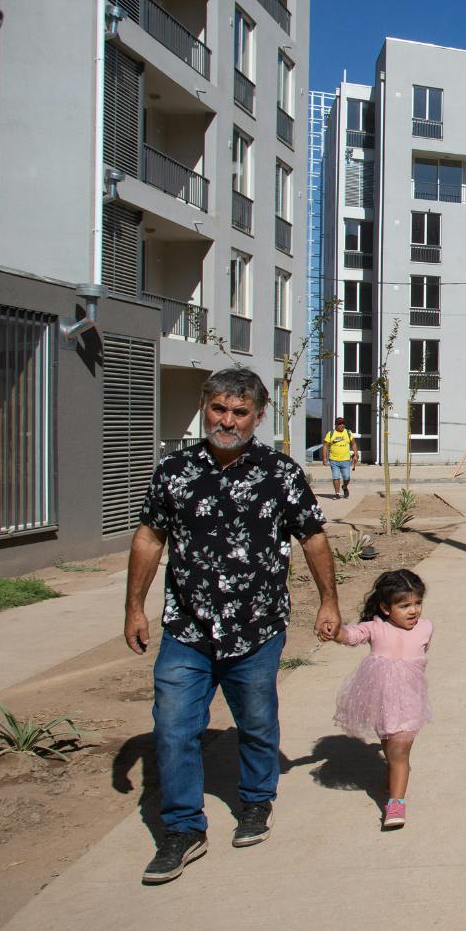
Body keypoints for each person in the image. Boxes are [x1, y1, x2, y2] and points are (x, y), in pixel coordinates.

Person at [124, 367, 341, 884]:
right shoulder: (173, 470)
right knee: (173, 729)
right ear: (206, 406)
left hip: (257, 629)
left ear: (258, 417)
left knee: (258, 725)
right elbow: (150, 538)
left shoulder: (280, 474)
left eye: (239, 412)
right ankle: (182, 829)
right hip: (187, 629)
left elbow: (312, 537)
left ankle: (254, 802)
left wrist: (328, 601)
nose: (227, 420)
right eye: (219, 408)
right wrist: (134, 607)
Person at [328, 569, 433, 830]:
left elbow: (420, 657)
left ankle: (396, 803)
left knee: (399, 749)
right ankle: (396, 773)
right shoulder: (376, 627)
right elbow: (352, 636)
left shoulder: (426, 628)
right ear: (385, 608)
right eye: (404, 605)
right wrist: (336, 630)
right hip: (380, 697)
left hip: (408, 698)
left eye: (417, 603)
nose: (413, 611)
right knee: (388, 743)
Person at [323, 416, 358, 499]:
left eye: (343, 423)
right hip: (334, 460)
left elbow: (353, 444)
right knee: (336, 477)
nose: (342, 425)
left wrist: (355, 455)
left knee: (347, 477)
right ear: (336, 425)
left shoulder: (348, 433)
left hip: (346, 460)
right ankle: (337, 493)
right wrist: (324, 458)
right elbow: (325, 446)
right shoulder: (330, 434)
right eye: (340, 424)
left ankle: (344, 487)